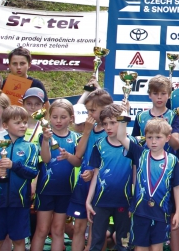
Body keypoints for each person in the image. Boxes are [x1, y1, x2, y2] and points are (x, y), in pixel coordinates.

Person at [118, 113, 179, 251]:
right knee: (140, 248)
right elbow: (121, 137)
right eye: (149, 137)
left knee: (157, 248)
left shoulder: (172, 160)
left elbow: (177, 187)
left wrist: (178, 212)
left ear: (167, 138)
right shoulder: (140, 154)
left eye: (158, 137)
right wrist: (123, 117)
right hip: (140, 211)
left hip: (161, 212)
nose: (153, 141)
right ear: (145, 137)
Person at [32, 100, 81, 251]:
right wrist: (46, 140)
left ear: (71, 118)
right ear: (49, 118)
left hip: (65, 191)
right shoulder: (44, 136)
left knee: (58, 229)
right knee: (42, 229)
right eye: (54, 117)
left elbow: (77, 163)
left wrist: (68, 156)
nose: (58, 121)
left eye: (63, 117)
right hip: (45, 190)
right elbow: (46, 159)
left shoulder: (75, 138)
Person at [67, 88, 113, 251]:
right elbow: (78, 155)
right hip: (83, 183)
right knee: (79, 227)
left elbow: (110, 161)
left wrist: (94, 172)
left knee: (97, 230)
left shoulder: (110, 133)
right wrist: (86, 132)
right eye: (87, 111)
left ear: (106, 109)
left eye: (93, 110)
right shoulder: (89, 129)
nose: (89, 115)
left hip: (100, 186)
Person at [86, 104, 136, 251]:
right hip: (101, 201)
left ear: (122, 121)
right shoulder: (99, 145)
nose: (108, 127)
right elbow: (96, 173)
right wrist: (88, 201)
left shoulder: (132, 143)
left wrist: (134, 201)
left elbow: (135, 175)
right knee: (96, 241)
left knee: (124, 243)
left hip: (124, 201)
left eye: (113, 123)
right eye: (105, 123)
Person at [0, 106, 40, 251]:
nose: (23, 125)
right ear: (5, 125)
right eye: (17, 123)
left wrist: (14, 166)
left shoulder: (30, 147)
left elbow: (32, 172)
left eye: (24, 122)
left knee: (19, 242)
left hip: (19, 203)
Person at [132, 76, 179, 152]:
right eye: (155, 93)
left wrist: (167, 130)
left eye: (163, 93)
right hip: (145, 158)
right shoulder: (141, 116)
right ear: (149, 95)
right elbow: (134, 144)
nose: (159, 97)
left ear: (169, 95)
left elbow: (176, 146)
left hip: (167, 158)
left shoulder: (173, 116)